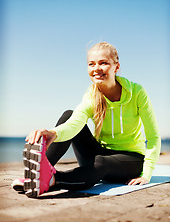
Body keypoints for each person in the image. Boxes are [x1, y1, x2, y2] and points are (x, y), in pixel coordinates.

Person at [12, 42, 161, 197]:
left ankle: (52, 180)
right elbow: (74, 123)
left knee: (101, 162)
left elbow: (153, 136)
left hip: (130, 160)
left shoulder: (137, 92)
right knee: (68, 114)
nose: (96, 69)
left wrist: (146, 174)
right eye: (91, 64)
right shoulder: (91, 95)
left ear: (116, 67)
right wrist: (53, 133)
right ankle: (38, 172)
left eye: (103, 63)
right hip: (100, 154)